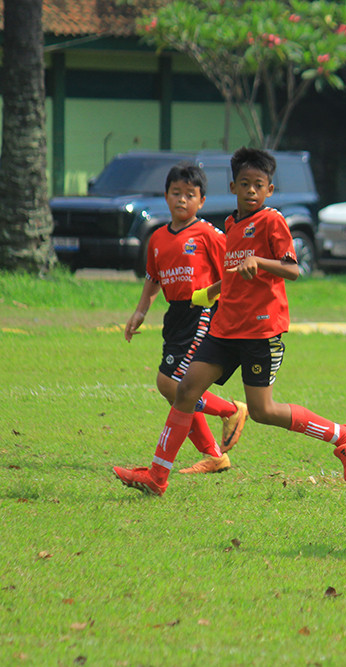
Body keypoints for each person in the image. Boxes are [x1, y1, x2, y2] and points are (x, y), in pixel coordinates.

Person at [114, 147, 346, 496]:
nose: (250, 190)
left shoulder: (272, 221)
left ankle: (343, 434)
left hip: (260, 330)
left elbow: (293, 269)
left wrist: (259, 262)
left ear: (269, 190)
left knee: (262, 410)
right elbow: (235, 272)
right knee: (184, 389)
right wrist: (210, 292)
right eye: (244, 183)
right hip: (225, 327)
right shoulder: (232, 224)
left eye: (258, 185)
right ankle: (157, 478)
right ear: (232, 187)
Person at [123, 162, 247, 475]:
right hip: (175, 316)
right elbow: (153, 279)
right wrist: (140, 311)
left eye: (189, 195)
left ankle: (231, 410)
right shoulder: (158, 239)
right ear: (165, 196)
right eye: (176, 193)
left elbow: (231, 271)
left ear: (201, 201)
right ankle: (215, 455)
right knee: (177, 390)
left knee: (171, 383)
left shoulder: (207, 234)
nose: (181, 199)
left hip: (203, 313)